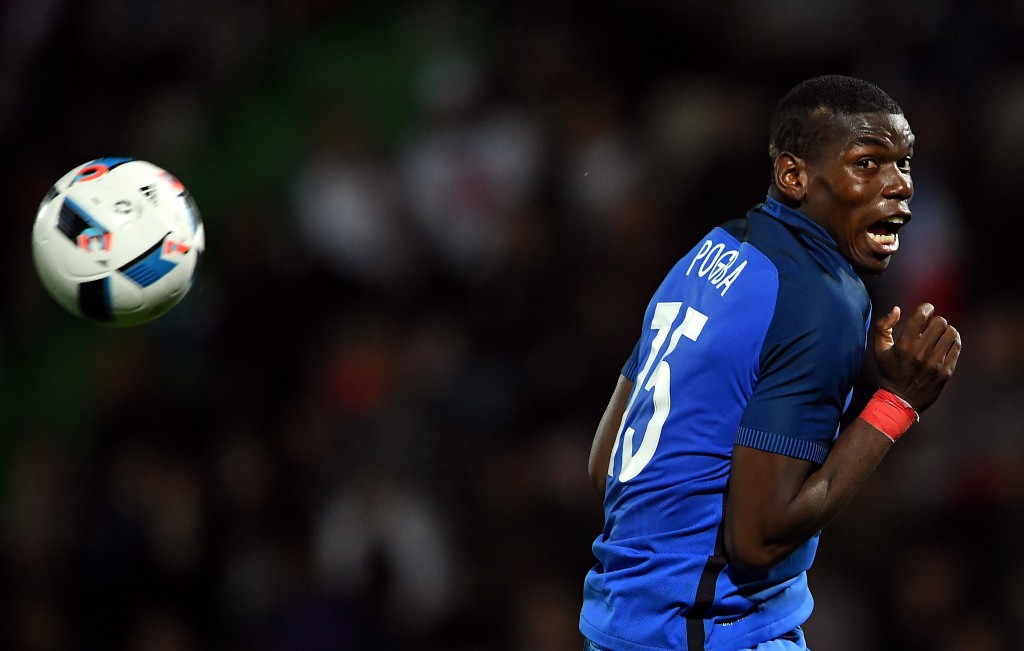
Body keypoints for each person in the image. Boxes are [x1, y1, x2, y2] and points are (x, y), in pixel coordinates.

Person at [579, 74, 962, 651]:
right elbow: (758, 538)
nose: (899, 187)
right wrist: (898, 402)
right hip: (705, 632)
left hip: (616, 623)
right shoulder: (820, 299)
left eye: (904, 164)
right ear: (793, 175)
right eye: (868, 164)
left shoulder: (707, 254)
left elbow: (606, 464)